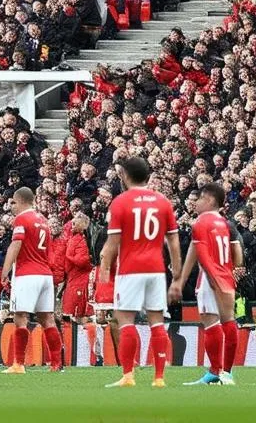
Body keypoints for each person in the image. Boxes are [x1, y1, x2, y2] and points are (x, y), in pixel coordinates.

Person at [99, 155, 181, 389]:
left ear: (125, 176)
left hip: (130, 269)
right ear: (148, 176)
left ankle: (128, 375)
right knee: (157, 322)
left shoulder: (121, 202)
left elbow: (113, 242)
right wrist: (176, 273)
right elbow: (173, 240)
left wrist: (105, 265)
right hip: (156, 270)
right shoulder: (162, 201)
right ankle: (159, 378)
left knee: (125, 321)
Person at [171, 182, 243, 386]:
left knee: (211, 323)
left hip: (211, 279)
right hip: (227, 275)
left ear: (210, 200)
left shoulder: (200, 223)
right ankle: (226, 374)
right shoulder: (226, 224)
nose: (196, 203)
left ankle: (215, 372)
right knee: (228, 321)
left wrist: (212, 278)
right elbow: (238, 257)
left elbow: (201, 256)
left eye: (200, 199)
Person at [0, 186, 61, 374]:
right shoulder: (43, 220)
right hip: (45, 275)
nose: (12, 207)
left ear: (19, 201)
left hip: (27, 274)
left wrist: (5, 270)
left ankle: (18, 364)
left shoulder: (21, 219)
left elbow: (16, 243)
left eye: (13, 203)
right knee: (47, 319)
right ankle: (57, 364)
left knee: (20, 318)